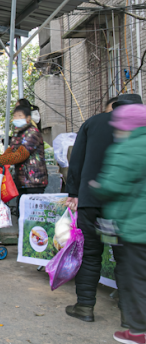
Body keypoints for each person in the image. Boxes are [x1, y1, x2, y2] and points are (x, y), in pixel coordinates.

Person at [64, 93, 143, 323]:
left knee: (90, 256)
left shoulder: (92, 123)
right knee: (126, 260)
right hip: (123, 209)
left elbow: (75, 161)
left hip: (91, 203)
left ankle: (85, 307)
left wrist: (74, 193)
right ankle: (129, 316)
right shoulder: (141, 129)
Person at [91, 104, 146, 344]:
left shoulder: (126, 149)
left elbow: (112, 186)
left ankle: (138, 331)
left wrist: (96, 187)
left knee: (135, 278)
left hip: (134, 227)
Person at [0, 105, 48, 203]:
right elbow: (12, 150)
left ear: (28, 118)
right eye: (15, 116)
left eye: (20, 116)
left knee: (30, 215)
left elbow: (21, 154)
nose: (16, 118)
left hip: (34, 182)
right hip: (22, 180)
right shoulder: (18, 133)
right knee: (20, 213)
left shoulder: (32, 133)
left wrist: (0, 160)